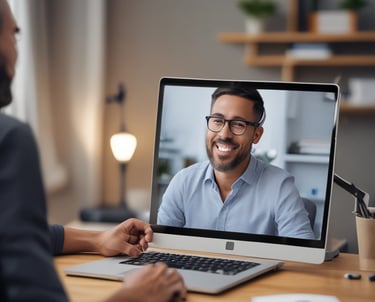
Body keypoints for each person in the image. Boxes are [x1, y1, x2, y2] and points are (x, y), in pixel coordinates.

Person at [0, 1, 186, 301]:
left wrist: (98, 238)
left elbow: (11, 234)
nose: (15, 50)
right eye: (13, 34)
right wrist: (135, 296)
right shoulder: (9, 139)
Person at [157, 83, 315, 240]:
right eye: (217, 121)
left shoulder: (280, 186)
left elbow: (302, 252)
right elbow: (162, 246)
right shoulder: (183, 182)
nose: (224, 134)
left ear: (256, 135)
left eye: (238, 124)